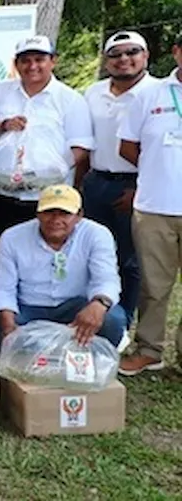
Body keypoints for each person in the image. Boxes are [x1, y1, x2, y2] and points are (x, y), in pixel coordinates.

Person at [0, 185, 125, 356]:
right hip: (28, 308)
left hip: (76, 307)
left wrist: (98, 305)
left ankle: (84, 356)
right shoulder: (12, 237)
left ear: (79, 216)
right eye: (49, 212)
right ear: (38, 213)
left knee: (113, 319)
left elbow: (106, 279)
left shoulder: (97, 234)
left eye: (65, 213)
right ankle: (58, 351)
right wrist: (8, 328)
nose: (56, 220)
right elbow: (2, 288)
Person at [82, 30, 158, 332]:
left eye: (132, 52)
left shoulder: (158, 92)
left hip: (135, 183)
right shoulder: (92, 92)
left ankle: (123, 322)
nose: (124, 59)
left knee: (130, 258)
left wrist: (140, 188)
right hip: (96, 180)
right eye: (115, 54)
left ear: (145, 56)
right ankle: (96, 315)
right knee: (96, 252)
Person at [115, 38, 182, 376]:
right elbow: (128, 146)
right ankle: (150, 350)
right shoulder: (151, 94)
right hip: (156, 206)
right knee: (154, 285)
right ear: (176, 53)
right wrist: (157, 168)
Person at [0, 35, 93, 238]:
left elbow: (81, 147)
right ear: (16, 64)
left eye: (39, 59)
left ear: (53, 61)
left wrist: (53, 171)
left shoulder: (70, 99)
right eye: (25, 60)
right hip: (6, 193)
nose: (32, 66)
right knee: (10, 252)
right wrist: (5, 125)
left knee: (48, 255)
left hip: (50, 198)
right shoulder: (1, 91)